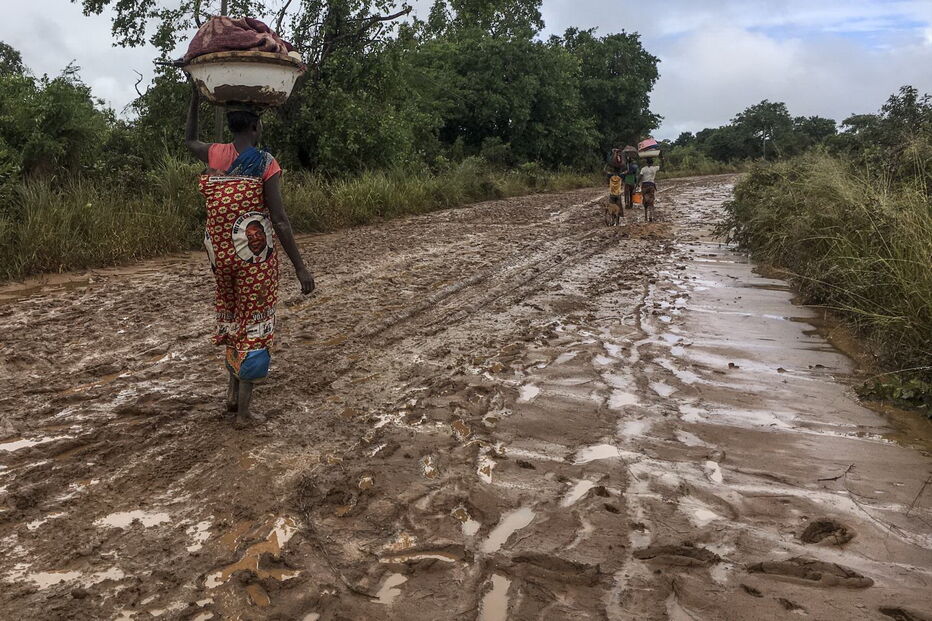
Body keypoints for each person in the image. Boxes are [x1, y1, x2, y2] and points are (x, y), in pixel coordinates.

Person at [185, 83, 315, 427]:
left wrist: (195, 100)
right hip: (253, 262)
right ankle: (244, 413)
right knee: (254, 326)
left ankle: (231, 397)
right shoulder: (265, 163)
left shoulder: (215, 154)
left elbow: (188, 141)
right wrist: (301, 268)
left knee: (233, 322)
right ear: (255, 127)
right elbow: (281, 222)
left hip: (221, 260)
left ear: (232, 127)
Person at [639, 157, 662, 222]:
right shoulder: (654, 168)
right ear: (652, 163)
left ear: (647, 163)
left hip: (644, 186)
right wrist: (662, 158)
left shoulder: (643, 169)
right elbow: (662, 166)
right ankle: (650, 217)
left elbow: (640, 176)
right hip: (651, 186)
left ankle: (645, 217)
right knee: (651, 201)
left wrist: (636, 185)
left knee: (645, 201)